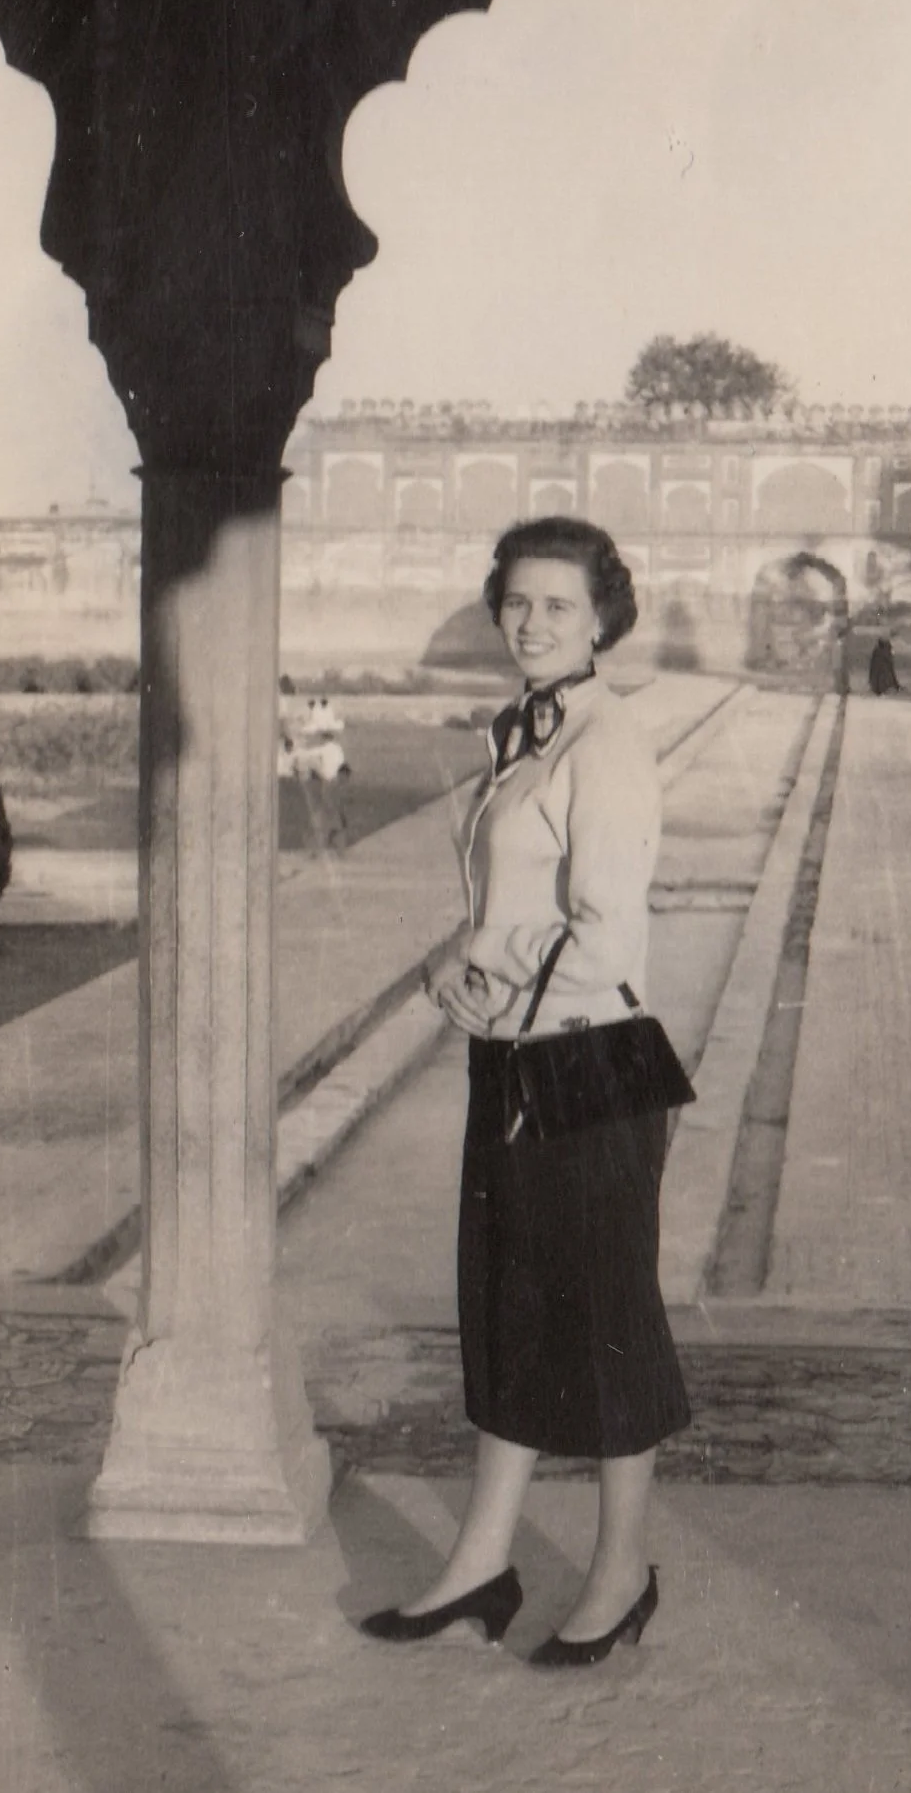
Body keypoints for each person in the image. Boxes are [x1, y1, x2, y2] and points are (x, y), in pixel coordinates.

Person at [360, 516, 690, 1667]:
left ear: (603, 617)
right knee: (504, 1304)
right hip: (517, 1051)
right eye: (518, 601)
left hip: (589, 1057)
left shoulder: (607, 739)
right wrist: (463, 946)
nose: (533, 620)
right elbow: (518, 900)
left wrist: (489, 987)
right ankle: (480, 1561)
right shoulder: (526, 733)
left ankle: (621, 1570)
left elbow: (602, 924)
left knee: (607, 1324)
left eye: (559, 603)